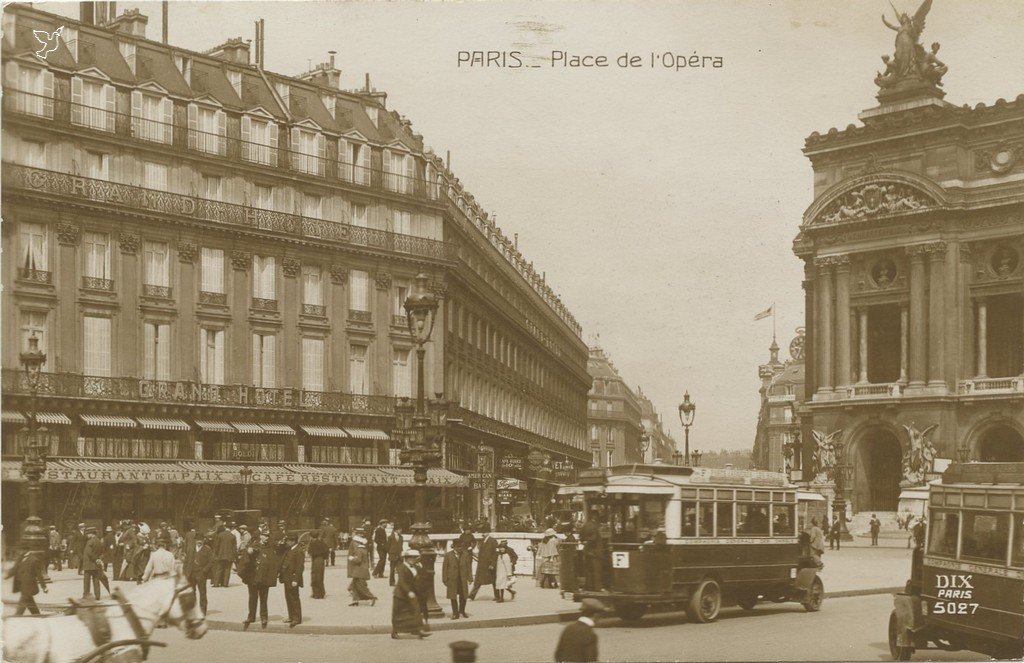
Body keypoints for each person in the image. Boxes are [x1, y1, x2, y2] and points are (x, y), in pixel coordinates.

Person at [241, 531, 279, 630]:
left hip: (264, 578)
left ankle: (264, 617)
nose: (266, 538)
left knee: (263, 599)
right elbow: (247, 556)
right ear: (260, 536)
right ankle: (251, 617)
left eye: (267, 536)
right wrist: (249, 552)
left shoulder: (270, 547)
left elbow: (273, 561)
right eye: (264, 536)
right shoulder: (254, 545)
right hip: (253, 577)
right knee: (252, 598)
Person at [554, 598, 610, 663]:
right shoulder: (590, 634)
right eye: (600, 616)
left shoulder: (568, 628)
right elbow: (591, 660)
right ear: (596, 615)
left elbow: (558, 654)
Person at [392, 549, 430, 639]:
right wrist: (408, 592)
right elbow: (402, 582)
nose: (415, 560)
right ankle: (394, 631)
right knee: (398, 614)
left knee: (415, 610)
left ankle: (419, 630)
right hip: (400, 595)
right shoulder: (401, 567)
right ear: (408, 558)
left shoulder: (415, 567)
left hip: (411, 594)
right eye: (413, 558)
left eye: (416, 558)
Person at [7, 548, 49, 615]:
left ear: (26, 550)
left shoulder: (34, 560)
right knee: (30, 602)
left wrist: (44, 587)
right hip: (21, 585)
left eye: (20, 550)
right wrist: (5, 576)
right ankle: (37, 615)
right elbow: (14, 569)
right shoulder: (20, 558)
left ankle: (16, 617)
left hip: (29, 586)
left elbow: (39, 575)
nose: (19, 551)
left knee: (22, 603)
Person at [184, 533, 214, 615]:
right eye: (198, 540)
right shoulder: (191, 548)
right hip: (191, 573)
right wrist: (185, 573)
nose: (199, 542)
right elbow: (186, 561)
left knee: (202, 593)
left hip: (201, 574)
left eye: (201, 540)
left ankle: (203, 610)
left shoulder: (208, 549)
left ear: (204, 541)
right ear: (195, 541)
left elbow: (211, 562)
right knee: (191, 593)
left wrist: (204, 570)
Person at [279, 532, 304, 627]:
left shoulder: (298, 551)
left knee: (294, 598)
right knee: (288, 597)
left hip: (293, 578)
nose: (287, 542)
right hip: (287, 578)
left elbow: (300, 567)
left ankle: (297, 618)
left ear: (293, 541)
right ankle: (291, 616)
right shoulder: (290, 549)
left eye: (288, 541)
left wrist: (296, 580)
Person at [442, 540, 472, 619]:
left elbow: (469, 567)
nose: (460, 548)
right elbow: (444, 568)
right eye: (458, 547)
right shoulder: (448, 555)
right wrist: (445, 579)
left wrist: (470, 578)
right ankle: (455, 613)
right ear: (454, 547)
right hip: (452, 579)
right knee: (453, 597)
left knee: (463, 596)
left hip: (462, 579)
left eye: (461, 547)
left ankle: (462, 611)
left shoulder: (465, 555)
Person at [347, 528, 377, 606]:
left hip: (358, 569)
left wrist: (351, 558)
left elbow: (358, 559)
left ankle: (371, 597)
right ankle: (355, 600)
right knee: (353, 586)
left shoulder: (357, 546)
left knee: (361, 586)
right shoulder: (364, 546)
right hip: (361, 569)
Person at [469, 523, 498, 600]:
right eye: (482, 532)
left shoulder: (493, 541)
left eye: (484, 532)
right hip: (482, 564)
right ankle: (472, 595)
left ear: (488, 532)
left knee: (494, 581)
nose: (483, 534)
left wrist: (492, 564)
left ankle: (497, 595)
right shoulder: (482, 541)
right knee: (478, 580)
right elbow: (481, 553)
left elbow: (495, 554)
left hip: (489, 564)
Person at [579, 513, 606, 591]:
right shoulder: (595, 527)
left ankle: (589, 587)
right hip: (596, 551)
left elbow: (581, 537)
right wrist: (589, 542)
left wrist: (585, 542)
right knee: (597, 570)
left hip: (587, 551)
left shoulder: (585, 525)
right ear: (595, 517)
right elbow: (594, 538)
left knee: (589, 570)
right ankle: (598, 587)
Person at [81, 526, 109, 599]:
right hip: (96, 565)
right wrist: (99, 559)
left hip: (88, 564)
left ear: (92, 534)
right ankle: (97, 595)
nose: (87, 535)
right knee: (96, 580)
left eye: (88, 534)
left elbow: (89, 553)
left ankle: (86, 595)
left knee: (86, 581)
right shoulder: (99, 541)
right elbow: (103, 552)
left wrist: (96, 559)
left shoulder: (90, 542)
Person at [307, 530, 329, 599]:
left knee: (315, 576)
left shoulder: (312, 543)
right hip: (321, 560)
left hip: (315, 560)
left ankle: (316, 593)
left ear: (311, 536)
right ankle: (321, 592)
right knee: (320, 576)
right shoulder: (322, 542)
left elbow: (310, 552)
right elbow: (326, 551)